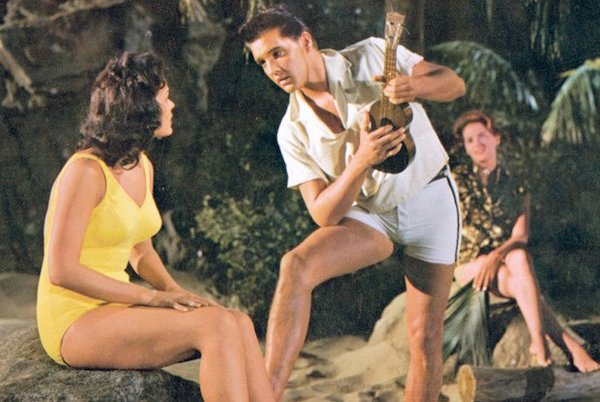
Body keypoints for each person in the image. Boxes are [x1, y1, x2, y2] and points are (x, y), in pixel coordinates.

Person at [239, 6, 466, 401]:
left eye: (278, 52)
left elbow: (454, 84)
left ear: (305, 41)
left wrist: (415, 87)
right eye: (262, 62)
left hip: (430, 199)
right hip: (370, 217)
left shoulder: (373, 55)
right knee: (296, 265)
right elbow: (323, 213)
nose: (273, 68)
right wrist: (361, 160)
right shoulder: (291, 130)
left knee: (425, 337)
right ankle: (266, 395)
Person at [36, 52, 275, 402]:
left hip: (115, 307)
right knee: (218, 327)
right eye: (165, 98)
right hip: (75, 318)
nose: (172, 105)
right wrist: (151, 297)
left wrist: (175, 292)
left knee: (237, 321)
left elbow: (141, 250)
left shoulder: (141, 165)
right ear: (141, 111)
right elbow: (62, 271)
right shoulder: (84, 172)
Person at [451, 109, 600, 372]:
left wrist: (495, 257)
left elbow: (520, 236)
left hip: (503, 262)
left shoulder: (515, 181)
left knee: (518, 257)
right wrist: (486, 261)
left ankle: (539, 345)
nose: (477, 144)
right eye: (469, 140)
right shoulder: (457, 179)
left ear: (496, 138)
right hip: (469, 264)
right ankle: (566, 347)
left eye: (482, 136)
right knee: (521, 280)